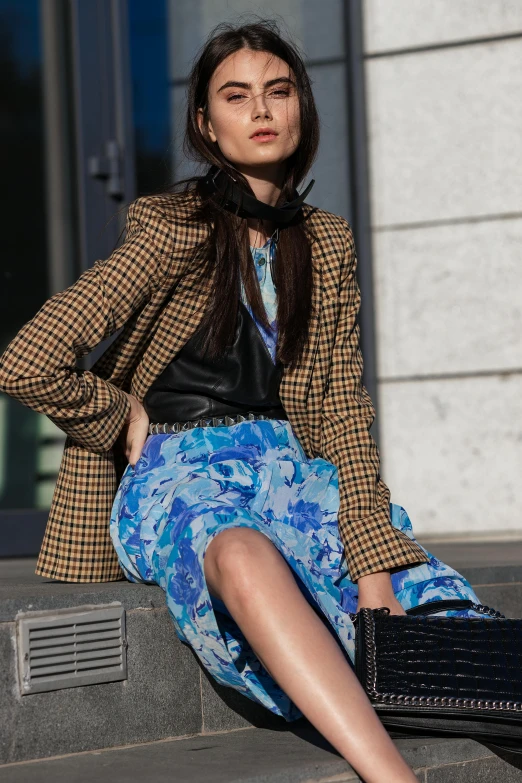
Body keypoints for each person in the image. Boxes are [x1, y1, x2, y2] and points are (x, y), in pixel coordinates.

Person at [0, 19, 486, 783]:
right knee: (238, 550)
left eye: (278, 90)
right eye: (236, 96)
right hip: (181, 476)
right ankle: (391, 776)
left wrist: (372, 563)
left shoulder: (325, 243)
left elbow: (341, 411)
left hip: (292, 472)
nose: (260, 110)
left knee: (432, 611)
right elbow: (28, 358)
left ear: (301, 108)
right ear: (206, 123)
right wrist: (120, 416)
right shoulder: (172, 229)